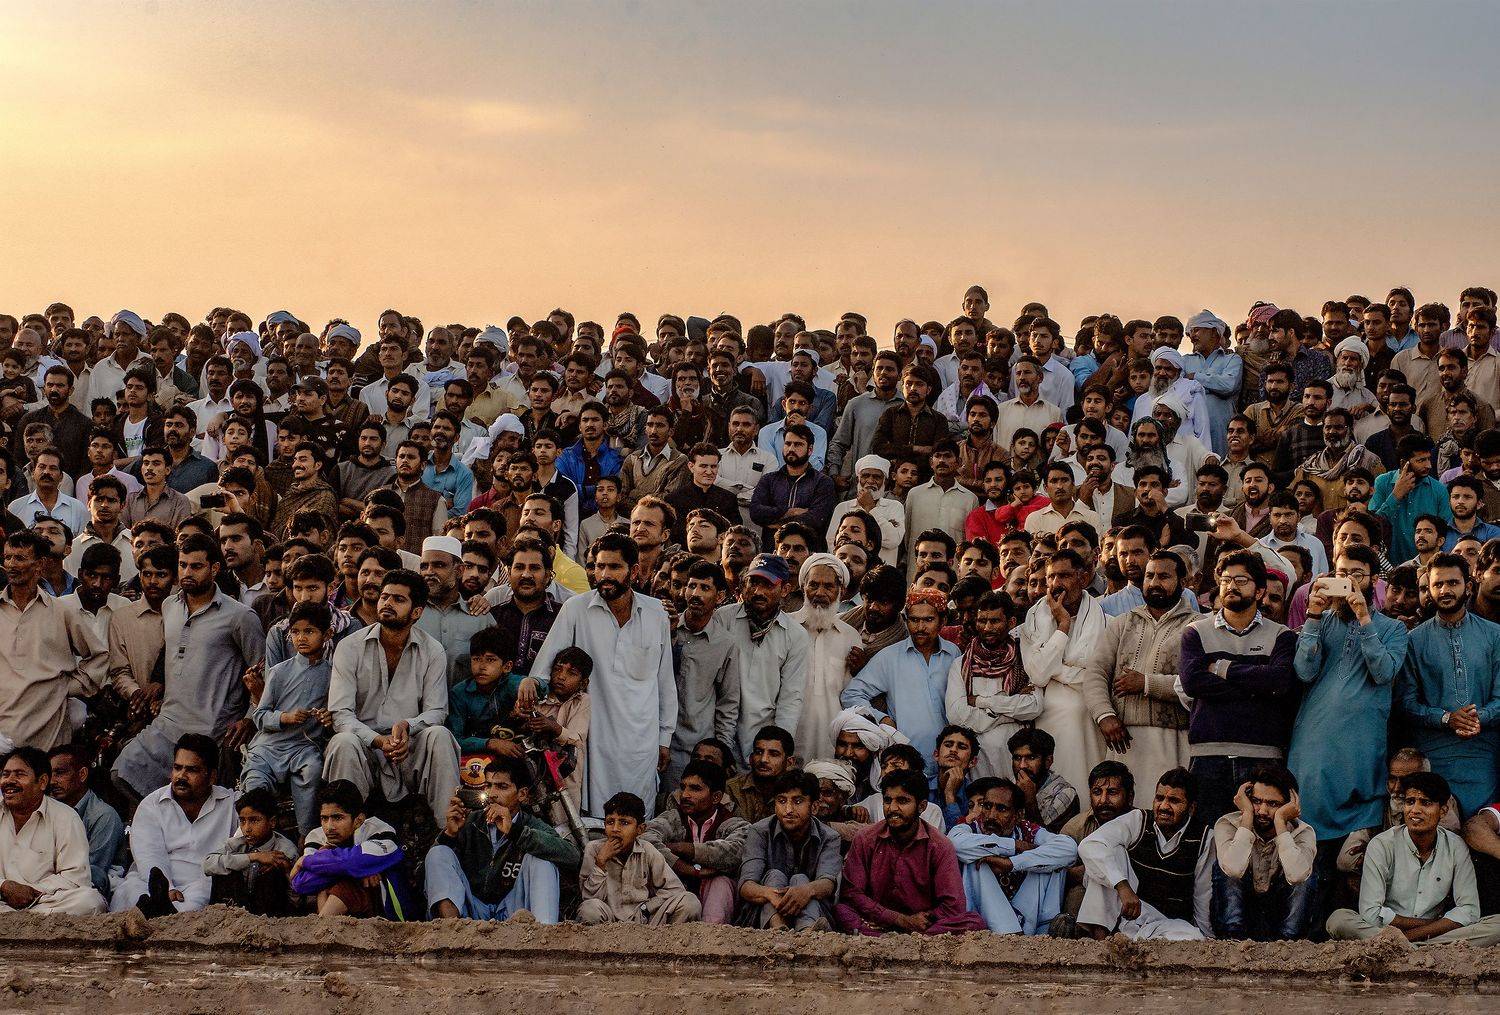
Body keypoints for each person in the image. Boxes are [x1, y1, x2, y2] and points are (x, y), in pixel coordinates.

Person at [530, 532, 676, 816]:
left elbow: (664, 682)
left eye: (614, 567)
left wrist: (664, 738)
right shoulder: (576, 609)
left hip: (640, 743)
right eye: (599, 567)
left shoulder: (656, 613)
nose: (605, 575)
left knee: (634, 820)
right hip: (591, 739)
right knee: (592, 823)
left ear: (633, 571)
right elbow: (545, 668)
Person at [1289, 545, 1408, 894]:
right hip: (1314, 745)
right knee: (1307, 840)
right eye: (1342, 573)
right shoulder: (1321, 621)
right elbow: (1303, 671)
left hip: (1361, 748)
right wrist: (1312, 616)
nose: (1349, 581)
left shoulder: (1392, 629)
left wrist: (1364, 619)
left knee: (1353, 854)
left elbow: (1384, 672)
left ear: (1373, 579)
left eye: (1357, 574)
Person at [111, 533, 263, 799]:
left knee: (193, 800)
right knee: (122, 772)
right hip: (167, 723)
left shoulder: (240, 616)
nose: (187, 572)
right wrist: (159, 684)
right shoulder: (170, 606)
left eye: (196, 566)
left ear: (215, 568)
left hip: (211, 730)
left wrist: (250, 718)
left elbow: (263, 671)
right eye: (183, 565)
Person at [324, 569, 461, 824]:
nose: (387, 604)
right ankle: (341, 842)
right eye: (384, 597)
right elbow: (341, 715)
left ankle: (449, 833)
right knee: (343, 742)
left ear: (417, 612)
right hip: (364, 748)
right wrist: (376, 740)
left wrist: (409, 726)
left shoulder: (433, 651)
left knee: (440, 736)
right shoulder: (349, 647)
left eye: (398, 599)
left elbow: (437, 711)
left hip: (408, 748)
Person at [1179, 549, 1298, 824]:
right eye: (1226, 579)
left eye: (1241, 580)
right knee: (1207, 840)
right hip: (1209, 756)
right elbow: (1193, 681)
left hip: (1263, 759)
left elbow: (1279, 682)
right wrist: (1258, 687)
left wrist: (1223, 668)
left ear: (1259, 591)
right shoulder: (1196, 632)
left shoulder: (1281, 636)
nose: (1231, 586)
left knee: (1260, 840)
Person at [1328, 771, 1500, 945]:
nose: (1415, 810)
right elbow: (1371, 913)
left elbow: (1469, 910)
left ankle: (1395, 946)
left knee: (1497, 924)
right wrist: (1426, 928)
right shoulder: (1381, 844)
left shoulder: (1456, 846)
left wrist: (1410, 937)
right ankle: (1423, 948)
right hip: (1393, 929)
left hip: (1423, 934)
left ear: (1443, 810)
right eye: (1410, 802)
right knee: (1339, 920)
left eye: (1425, 803)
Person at [1081, 550, 1195, 794]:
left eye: (1163, 576)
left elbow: (1195, 683)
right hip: (1123, 738)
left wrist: (1146, 683)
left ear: (1183, 583)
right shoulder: (1122, 623)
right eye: (1150, 576)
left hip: (1173, 741)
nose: (1154, 583)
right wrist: (1105, 716)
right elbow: (1095, 673)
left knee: (1164, 807)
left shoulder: (1197, 626)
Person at [1398, 553, 1500, 818]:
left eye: (1453, 583)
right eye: (1437, 584)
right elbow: (1407, 704)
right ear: (1429, 590)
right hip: (1434, 754)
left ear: (1468, 585)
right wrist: (1446, 719)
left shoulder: (1494, 635)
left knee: (1480, 829)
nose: (1445, 590)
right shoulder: (1414, 641)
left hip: (1483, 752)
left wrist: (1477, 719)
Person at [425, 754, 581, 925]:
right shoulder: (470, 822)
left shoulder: (529, 824)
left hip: (514, 911)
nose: (492, 794)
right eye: (488, 786)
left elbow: (572, 856)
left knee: (540, 860)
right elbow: (428, 878)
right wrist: (449, 835)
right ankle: (451, 931)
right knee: (438, 852)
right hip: (473, 912)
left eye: (502, 787)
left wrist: (515, 832)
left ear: (522, 794)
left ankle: (542, 937)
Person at [834, 769, 988, 935]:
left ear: (921, 806)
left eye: (902, 801)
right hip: (877, 918)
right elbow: (852, 893)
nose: (892, 808)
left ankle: (883, 939)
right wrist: (899, 920)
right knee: (841, 911)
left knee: (973, 922)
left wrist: (916, 922)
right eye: (887, 800)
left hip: (922, 924)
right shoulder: (865, 838)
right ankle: (892, 940)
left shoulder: (939, 846)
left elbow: (953, 905)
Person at [0, 530, 108, 751]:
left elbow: (99, 657)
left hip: (48, 738)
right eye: (7, 557)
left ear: (39, 565)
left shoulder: (61, 611)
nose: (11, 564)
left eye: (19, 558)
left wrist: (66, 687)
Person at [1077, 767, 1213, 940]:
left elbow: (1202, 894)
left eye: (1174, 800)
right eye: (1159, 798)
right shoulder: (1138, 819)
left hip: (1166, 924)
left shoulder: (1205, 838)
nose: (1163, 806)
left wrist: (1207, 938)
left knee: (1193, 938)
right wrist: (1122, 886)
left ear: (1191, 808)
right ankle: (1100, 946)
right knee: (1109, 853)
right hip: (1127, 914)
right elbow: (1090, 845)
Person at [110, 735, 238, 916]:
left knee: (191, 909)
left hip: (202, 882)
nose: (181, 776)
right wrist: (167, 887)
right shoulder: (151, 804)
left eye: (192, 770)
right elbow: (149, 854)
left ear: (212, 776)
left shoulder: (230, 805)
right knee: (128, 895)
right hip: (150, 880)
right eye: (177, 768)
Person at [840, 588, 958, 778]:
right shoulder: (890, 657)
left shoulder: (954, 654)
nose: (920, 627)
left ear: (942, 621)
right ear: (906, 620)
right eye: (914, 620)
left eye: (928, 620)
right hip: (905, 764)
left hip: (949, 764)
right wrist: (881, 718)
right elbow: (851, 695)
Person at [1017, 548, 1106, 795]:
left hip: (1087, 710)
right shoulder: (1035, 615)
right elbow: (1037, 674)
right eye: (1051, 577)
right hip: (1045, 711)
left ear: (1083, 578)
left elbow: (1096, 674)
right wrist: (1063, 625)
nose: (1056, 584)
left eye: (1064, 576)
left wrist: (1057, 671)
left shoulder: (1104, 620)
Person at [243, 601, 335, 834]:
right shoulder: (278, 671)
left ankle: (306, 836)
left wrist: (327, 719)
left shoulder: (333, 674)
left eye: (309, 631)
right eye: (295, 632)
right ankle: (253, 838)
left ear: (327, 634)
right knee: (255, 785)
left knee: (313, 770)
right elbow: (260, 716)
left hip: (304, 748)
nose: (301, 638)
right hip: (269, 747)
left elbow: (335, 716)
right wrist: (285, 717)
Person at [948, 775, 1078, 934]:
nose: (991, 815)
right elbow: (954, 844)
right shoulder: (970, 829)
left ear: (1018, 815)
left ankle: (1043, 934)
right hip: (986, 928)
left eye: (1001, 809)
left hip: (1028, 922)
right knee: (973, 859)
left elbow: (1069, 848)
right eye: (987, 806)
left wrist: (1012, 864)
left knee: (1054, 862)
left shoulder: (1027, 830)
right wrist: (1015, 846)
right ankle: (1008, 932)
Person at [715, 553, 810, 763]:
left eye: (767, 584)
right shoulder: (722, 619)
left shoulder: (795, 635)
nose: (758, 591)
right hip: (716, 735)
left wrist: (777, 751)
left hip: (760, 745)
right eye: (753, 582)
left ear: (785, 589)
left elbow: (790, 700)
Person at [1211, 764, 1316, 940]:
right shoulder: (1227, 824)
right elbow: (1233, 870)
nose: (1262, 811)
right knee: (1226, 864)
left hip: (1281, 923)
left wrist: (1281, 822)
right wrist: (1247, 818)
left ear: (1289, 805)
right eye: (1256, 801)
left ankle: (1288, 949)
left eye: (1273, 804)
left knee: (1305, 871)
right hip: (1239, 920)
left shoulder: (1303, 832)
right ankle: (1232, 943)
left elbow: (1298, 876)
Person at [0, 746, 107, 914]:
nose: (9, 781)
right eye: (5, 774)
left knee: (90, 901)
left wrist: (31, 892)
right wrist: (4, 886)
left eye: (19, 774)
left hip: (44, 901)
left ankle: (17, 920)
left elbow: (76, 877)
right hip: (2, 900)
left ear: (42, 782)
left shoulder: (66, 817)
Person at [943, 590, 1039, 777]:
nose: (987, 628)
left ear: (1011, 623)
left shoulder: (1025, 660)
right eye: (982, 621)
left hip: (1016, 761)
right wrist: (1011, 713)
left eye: (994, 621)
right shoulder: (962, 664)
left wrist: (981, 702)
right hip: (977, 764)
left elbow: (1033, 707)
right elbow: (957, 716)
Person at [643, 760, 749, 924]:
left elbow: (736, 849)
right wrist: (683, 867)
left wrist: (683, 848)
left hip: (717, 898)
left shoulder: (732, 822)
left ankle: (710, 939)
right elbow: (646, 838)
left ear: (716, 797)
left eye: (695, 789)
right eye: (683, 787)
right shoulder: (673, 817)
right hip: (678, 898)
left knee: (720, 883)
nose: (685, 795)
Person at [738, 768, 841, 930]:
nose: (788, 810)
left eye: (798, 801)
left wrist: (805, 891)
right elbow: (746, 886)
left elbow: (828, 883)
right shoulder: (759, 831)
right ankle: (778, 931)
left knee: (801, 880)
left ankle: (807, 934)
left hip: (814, 911)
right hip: (763, 918)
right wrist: (771, 894)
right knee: (774, 875)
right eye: (782, 801)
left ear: (814, 807)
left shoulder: (830, 837)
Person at [291, 779, 409, 919]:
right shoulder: (316, 836)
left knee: (347, 886)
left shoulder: (380, 831)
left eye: (337, 818)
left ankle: (322, 929)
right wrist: (360, 871)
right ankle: (325, 928)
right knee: (342, 882)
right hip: (339, 910)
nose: (329, 827)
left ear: (358, 820)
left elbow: (352, 862)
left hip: (386, 918)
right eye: (324, 818)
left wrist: (306, 862)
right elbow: (302, 883)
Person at [580, 791, 701, 925]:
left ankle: (663, 945)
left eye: (624, 823)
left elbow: (675, 889)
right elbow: (589, 898)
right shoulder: (594, 849)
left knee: (690, 902)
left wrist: (647, 908)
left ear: (640, 829)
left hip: (646, 923)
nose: (615, 829)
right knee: (589, 909)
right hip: (608, 922)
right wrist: (600, 862)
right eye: (610, 822)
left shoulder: (647, 850)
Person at [790, 553, 860, 761]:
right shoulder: (785, 627)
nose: (820, 593)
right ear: (803, 587)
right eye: (814, 585)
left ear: (841, 591)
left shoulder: (850, 636)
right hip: (790, 737)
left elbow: (851, 695)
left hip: (831, 743)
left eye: (828, 586)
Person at [202, 787, 299, 916]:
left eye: (254, 820)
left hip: (271, 916)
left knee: (272, 873)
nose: (247, 828)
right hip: (236, 912)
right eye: (242, 821)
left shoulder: (285, 850)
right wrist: (252, 857)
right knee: (225, 866)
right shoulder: (238, 843)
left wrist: (287, 871)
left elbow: (297, 900)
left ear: (272, 822)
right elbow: (208, 864)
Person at [46, 744, 123, 895]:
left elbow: (90, 872)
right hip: (52, 882)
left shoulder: (104, 816)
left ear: (82, 774)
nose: (52, 781)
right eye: (50, 774)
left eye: (60, 773)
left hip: (87, 885)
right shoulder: (47, 808)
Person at [726, 726, 795, 825]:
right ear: (750, 758)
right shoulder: (731, 789)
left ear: (789, 762)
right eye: (758, 752)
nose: (763, 759)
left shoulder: (797, 793)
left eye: (773, 754)